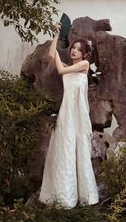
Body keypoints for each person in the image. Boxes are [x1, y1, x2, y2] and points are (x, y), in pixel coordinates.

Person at [39, 22, 99, 209]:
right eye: (73, 48)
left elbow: (62, 70)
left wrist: (59, 59)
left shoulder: (84, 65)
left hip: (78, 115)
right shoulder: (71, 65)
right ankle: (63, 197)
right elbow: (51, 55)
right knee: (64, 148)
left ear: (84, 54)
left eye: (78, 49)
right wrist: (56, 34)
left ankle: (84, 196)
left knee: (78, 148)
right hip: (67, 112)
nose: (74, 51)